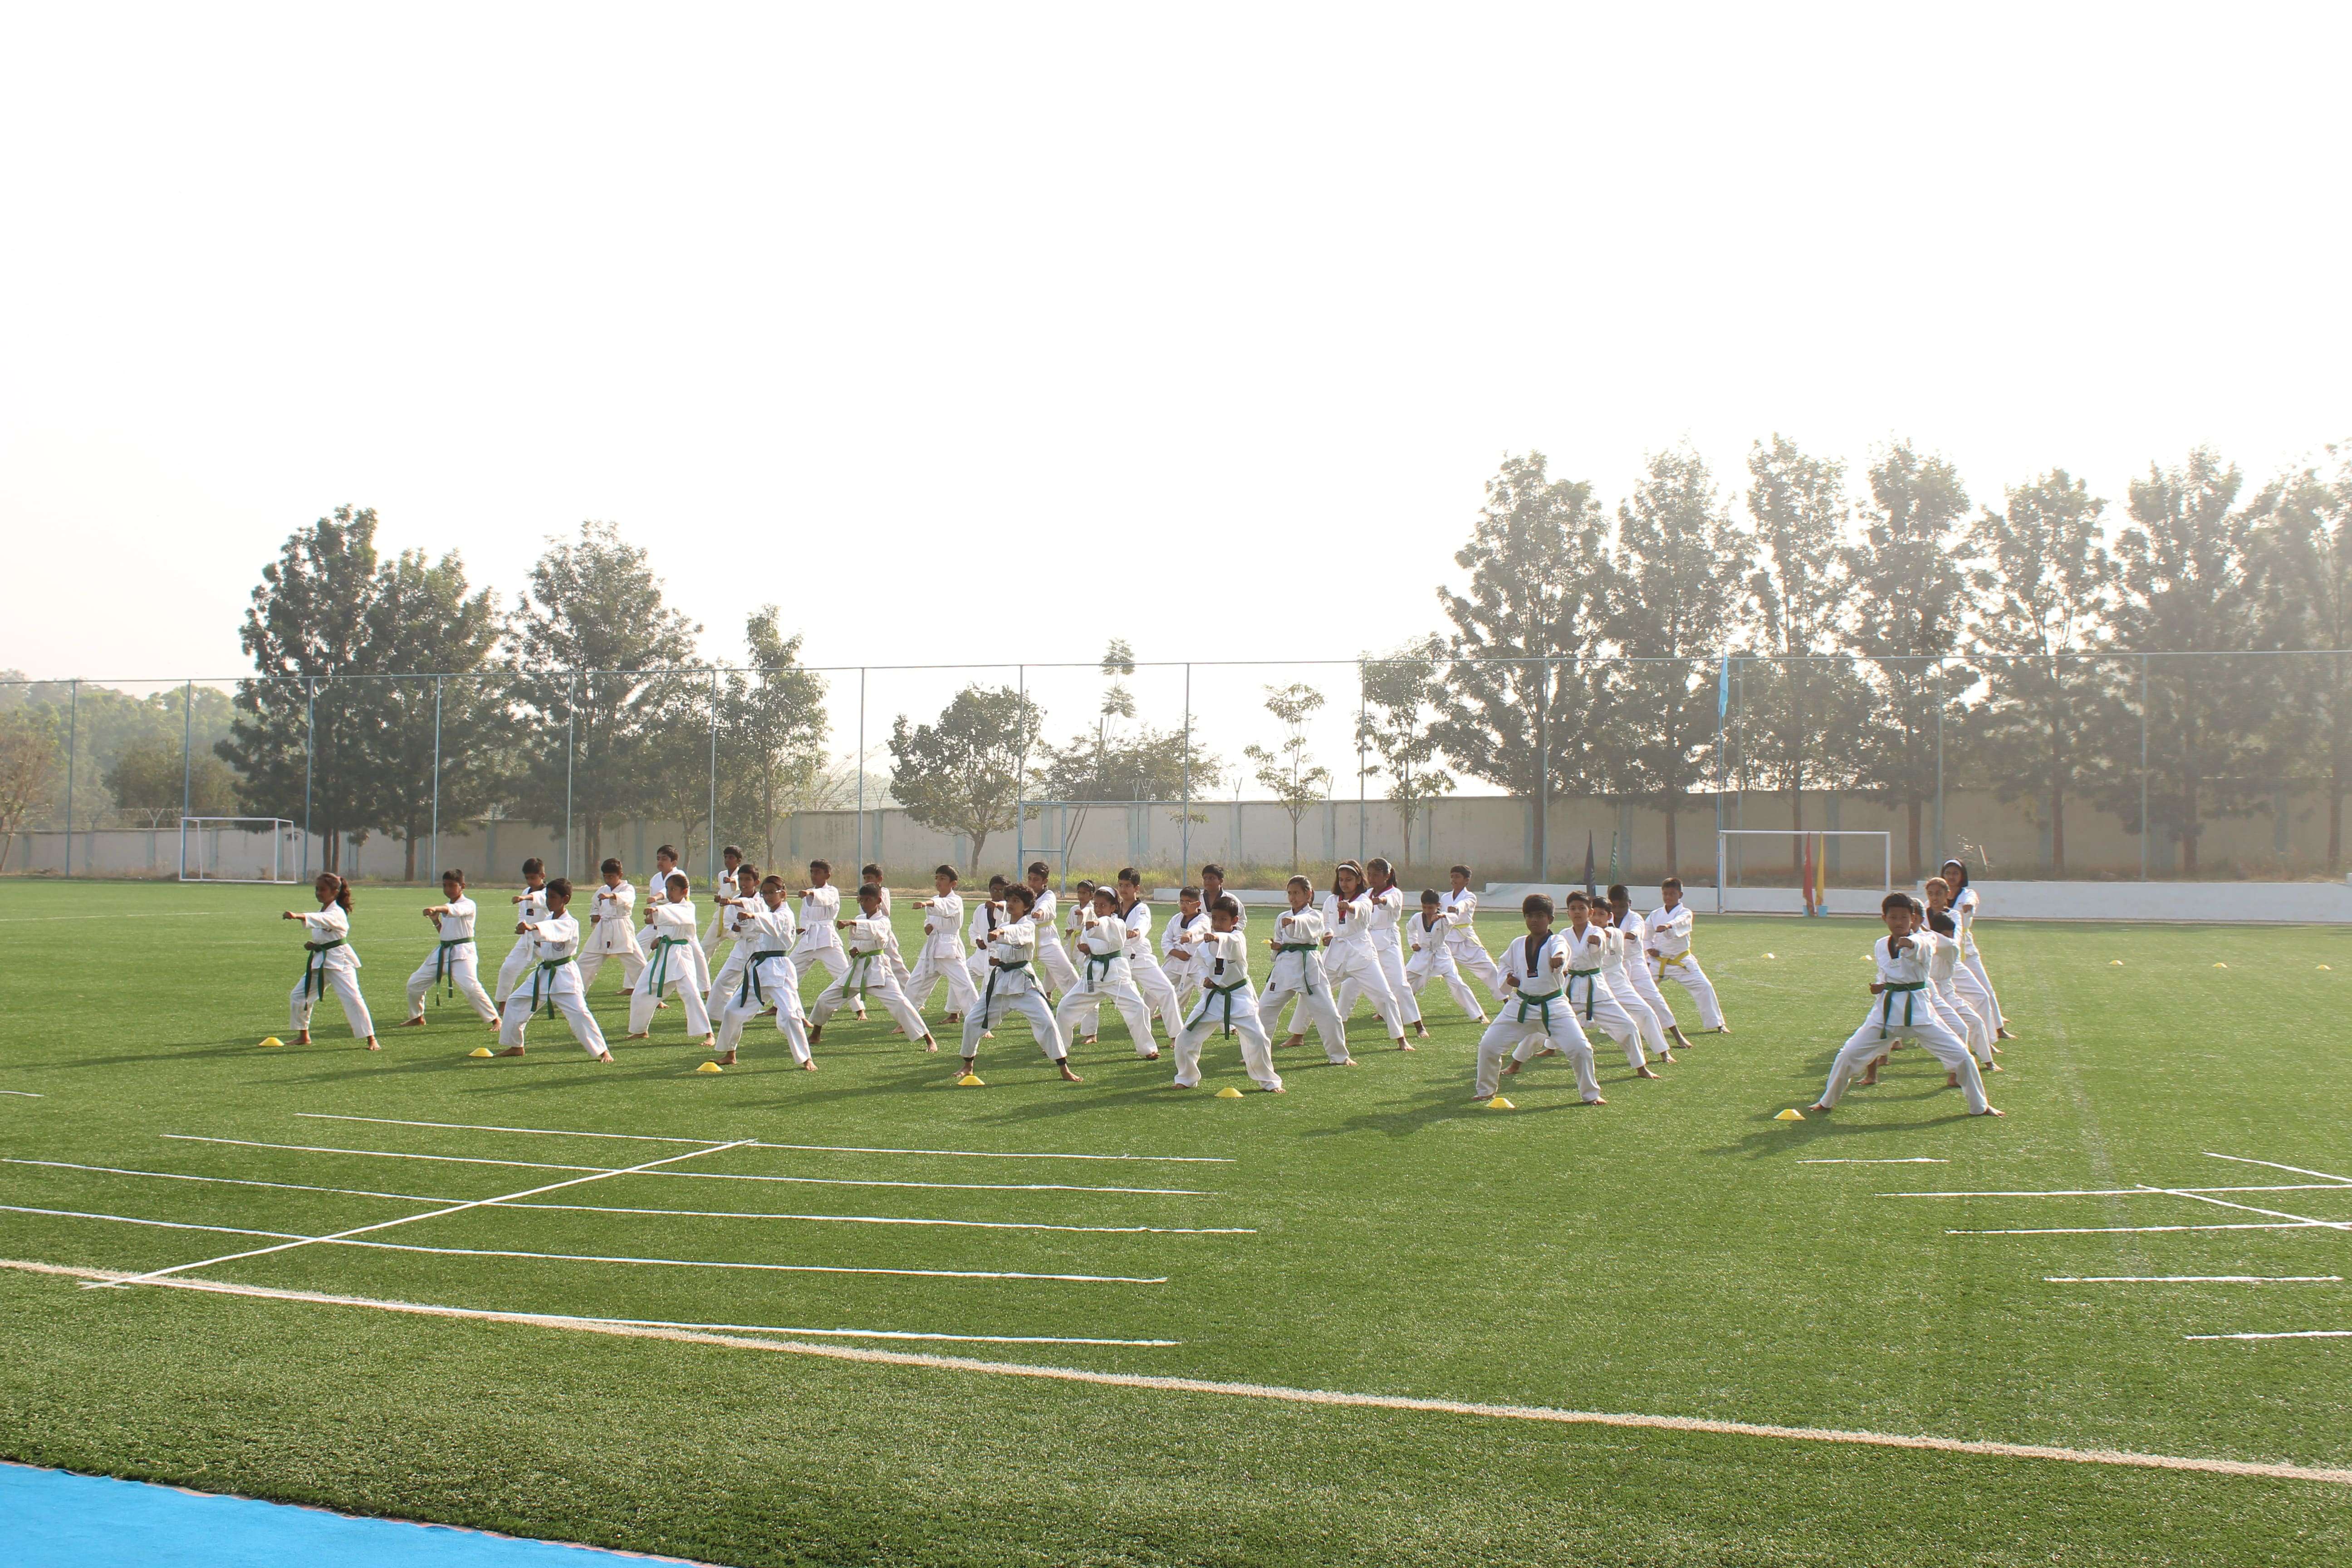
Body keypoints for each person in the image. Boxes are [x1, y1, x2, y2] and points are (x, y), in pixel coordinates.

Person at [1808, 894, 2000, 1117]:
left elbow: (1922, 946)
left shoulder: (1925, 940)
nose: (1899, 922)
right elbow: (1888, 971)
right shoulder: (1881, 944)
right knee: (1847, 1055)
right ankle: (1827, 1101)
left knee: (1963, 1057)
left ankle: (1980, 1106)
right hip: (1885, 1014)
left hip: (1920, 1013)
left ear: (1914, 919)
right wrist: (1880, 986)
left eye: (1904, 918)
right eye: (1893, 917)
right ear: (1884, 919)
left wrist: (1911, 942)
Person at [1475, 894, 1602, 1104]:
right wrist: (1509, 979)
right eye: (1530, 916)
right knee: (1489, 1045)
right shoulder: (1517, 944)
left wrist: (1559, 960)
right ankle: (1486, 1090)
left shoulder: (1557, 941)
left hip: (1554, 1005)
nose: (1535, 920)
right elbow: (1504, 965)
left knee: (1581, 1048)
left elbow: (1562, 951)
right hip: (1521, 1004)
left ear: (1551, 919)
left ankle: (1591, 1095)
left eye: (1540, 916)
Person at [959, 884, 1083, 1081]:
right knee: (972, 1020)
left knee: (1048, 1023)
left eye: (1016, 901)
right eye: (1009, 900)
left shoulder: (1028, 925)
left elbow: (1017, 934)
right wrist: (996, 958)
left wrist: (1000, 934)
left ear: (1026, 907)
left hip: (1024, 984)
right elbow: (997, 949)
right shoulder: (1004, 924)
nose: (1011, 904)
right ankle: (968, 1064)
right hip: (1000, 983)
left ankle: (1064, 1069)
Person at [1168, 894, 1284, 1092]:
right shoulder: (1205, 945)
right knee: (1185, 1038)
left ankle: (1269, 1082)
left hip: (1239, 996)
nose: (1218, 923)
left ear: (1235, 921)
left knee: (1258, 1038)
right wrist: (1207, 978)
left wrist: (1217, 937)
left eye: (1223, 919)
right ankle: (1186, 1078)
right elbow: (1200, 964)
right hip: (1213, 999)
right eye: (1214, 919)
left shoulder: (1238, 938)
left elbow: (1229, 942)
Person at [494, 877, 614, 1060]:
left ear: (565, 899)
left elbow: (554, 929)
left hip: (564, 975)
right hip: (544, 973)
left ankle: (602, 1051)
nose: (549, 901)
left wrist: (533, 927)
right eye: (548, 897)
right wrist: (528, 930)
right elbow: (543, 935)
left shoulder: (570, 923)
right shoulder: (549, 918)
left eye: (553, 897)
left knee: (580, 1013)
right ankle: (516, 1046)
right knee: (515, 1002)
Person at [809, 883, 939, 1049]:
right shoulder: (861, 918)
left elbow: (877, 931)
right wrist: (854, 951)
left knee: (900, 1003)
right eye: (861, 900)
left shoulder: (883, 921)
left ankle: (928, 1038)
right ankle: (816, 1034)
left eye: (868, 900)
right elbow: (855, 943)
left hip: (878, 969)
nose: (864, 903)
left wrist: (852, 923)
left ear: (878, 901)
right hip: (857, 969)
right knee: (825, 999)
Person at [712, 875, 814, 1069]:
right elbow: (752, 927)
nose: (767, 896)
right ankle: (730, 1053)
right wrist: (744, 922)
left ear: (783, 894)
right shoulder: (766, 912)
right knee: (732, 1011)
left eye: (771, 893)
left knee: (792, 1015)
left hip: (780, 970)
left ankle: (806, 1058)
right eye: (764, 893)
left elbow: (772, 924)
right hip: (759, 971)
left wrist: (753, 917)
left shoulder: (785, 914)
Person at [1307, 860, 1411, 1051]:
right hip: (1337, 953)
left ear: (1357, 881)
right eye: (1341, 880)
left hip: (1362, 954)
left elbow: (1363, 910)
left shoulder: (1364, 899)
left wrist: (1349, 908)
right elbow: (1327, 923)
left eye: (1349, 880)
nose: (1344, 883)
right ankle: (1298, 1034)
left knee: (1386, 994)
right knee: (1314, 989)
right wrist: (1328, 934)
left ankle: (1401, 1037)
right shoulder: (1332, 900)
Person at [1555, 891, 1660, 1077]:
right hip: (1571, 986)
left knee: (1628, 1026)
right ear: (1568, 913)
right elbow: (1560, 951)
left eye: (1582, 908)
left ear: (1590, 912)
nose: (1577, 912)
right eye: (1573, 909)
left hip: (1597, 989)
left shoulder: (1600, 931)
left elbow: (1604, 939)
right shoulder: (1564, 934)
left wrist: (1598, 941)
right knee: (1542, 1021)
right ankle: (1517, 1061)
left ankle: (1641, 1067)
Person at [1256, 875, 1355, 1067]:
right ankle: (1256, 1052)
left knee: (1329, 1013)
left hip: (1308, 967)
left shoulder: (1315, 915)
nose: (1293, 898)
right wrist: (1277, 946)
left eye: (1297, 893)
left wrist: (1293, 922)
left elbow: (1306, 925)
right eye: (1290, 894)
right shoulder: (1281, 917)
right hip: (1285, 967)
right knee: (1263, 1010)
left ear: (1308, 894)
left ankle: (1339, 1056)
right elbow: (1280, 941)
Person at [1056, 885, 1161, 1057]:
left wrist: (1098, 923)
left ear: (1114, 907)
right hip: (1093, 976)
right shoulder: (1088, 927)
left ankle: (1148, 1049)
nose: (1098, 909)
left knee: (1138, 1008)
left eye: (1103, 906)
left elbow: (1107, 926)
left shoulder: (1118, 923)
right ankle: (1060, 1048)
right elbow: (1087, 949)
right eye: (1096, 905)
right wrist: (1086, 951)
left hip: (1115, 975)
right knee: (1065, 1008)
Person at [284, 872, 379, 1049]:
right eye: (317, 889)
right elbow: (324, 932)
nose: (319, 893)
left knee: (353, 998)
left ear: (334, 892)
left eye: (323, 890)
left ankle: (371, 1039)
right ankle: (303, 1036)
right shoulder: (326, 910)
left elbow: (323, 921)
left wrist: (298, 916)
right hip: (321, 960)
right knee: (299, 995)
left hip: (340, 962)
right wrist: (314, 945)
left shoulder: (337, 912)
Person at [401, 868, 498, 1028]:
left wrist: (438, 909)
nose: (448, 890)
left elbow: (455, 911)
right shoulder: (446, 906)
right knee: (414, 984)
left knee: (471, 988)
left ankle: (495, 1019)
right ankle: (418, 1017)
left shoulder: (469, 904)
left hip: (463, 953)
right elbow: (445, 933)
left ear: (463, 886)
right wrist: (435, 920)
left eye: (452, 886)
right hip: (443, 952)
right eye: (445, 886)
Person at [627, 873, 714, 1042]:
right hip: (664, 954)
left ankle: (709, 1034)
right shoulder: (667, 907)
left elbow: (678, 915)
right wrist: (658, 940)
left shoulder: (688, 907)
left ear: (685, 891)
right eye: (667, 889)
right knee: (642, 990)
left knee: (691, 993)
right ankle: (640, 1030)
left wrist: (656, 910)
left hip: (681, 956)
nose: (669, 893)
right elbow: (665, 928)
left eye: (673, 889)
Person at [1349, 857, 1429, 1040]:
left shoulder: (1395, 893)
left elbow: (1390, 902)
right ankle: (1343, 1020)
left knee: (1399, 984)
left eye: (1376, 875)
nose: (1372, 878)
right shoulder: (1366, 894)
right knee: (1352, 983)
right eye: (1369, 874)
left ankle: (1418, 1025)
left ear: (1387, 875)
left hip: (1388, 941)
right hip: (1366, 942)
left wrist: (1380, 900)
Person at [1607, 884, 1691, 1053]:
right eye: (1614, 907)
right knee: (1590, 1000)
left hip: (1636, 965)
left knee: (1654, 999)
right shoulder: (1606, 918)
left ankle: (1676, 1035)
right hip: (1613, 967)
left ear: (1629, 903)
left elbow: (1635, 933)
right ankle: (1553, 1043)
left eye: (1622, 906)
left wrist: (1612, 934)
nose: (1618, 910)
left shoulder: (1636, 919)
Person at [1644, 877, 1728, 1034]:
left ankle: (1717, 1024)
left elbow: (1681, 922)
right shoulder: (1655, 915)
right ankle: (1636, 1023)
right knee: (1640, 988)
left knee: (1705, 987)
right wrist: (1650, 949)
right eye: (1665, 894)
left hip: (1681, 961)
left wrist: (1668, 926)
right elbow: (1646, 936)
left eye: (1672, 894)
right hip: (1658, 961)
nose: (1668, 897)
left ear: (1680, 895)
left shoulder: (1685, 913)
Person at [1116, 867, 1190, 1043]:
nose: (1123, 889)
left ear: (1137, 888)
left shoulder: (1142, 909)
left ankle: (1176, 1036)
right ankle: (1086, 1032)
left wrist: (1136, 932)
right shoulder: (1114, 908)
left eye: (1128, 885)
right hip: (1117, 960)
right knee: (1090, 992)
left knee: (1167, 991)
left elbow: (1143, 925)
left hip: (1140, 958)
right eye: (1120, 885)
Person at [1942, 858, 2013, 1039]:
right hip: (1945, 954)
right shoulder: (1937, 896)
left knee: (1986, 990)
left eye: (1955, 874)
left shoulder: (1967, 894)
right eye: (1948, 873)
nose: (1951, 877)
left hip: (1967, 951)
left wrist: (1969, 907)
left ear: (1962, 876)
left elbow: (1971, 901)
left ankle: (1998, 1029)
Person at [789, 860, 863, 1020]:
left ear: (827, 875)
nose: (813, 875)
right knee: (789, 970)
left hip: (827, 938)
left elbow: (826, 899)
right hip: (809, 938)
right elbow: (804, 916)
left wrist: (811, 894)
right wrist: (802, 928)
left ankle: (859, 1010)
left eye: (817, 872)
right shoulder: (808, 892)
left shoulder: (832, 891)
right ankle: (777, 1006)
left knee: (843, 973)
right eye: (812, 872)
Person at [907, 864, 980, 1023]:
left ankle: (978, 1023)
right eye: (937, 878)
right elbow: (930, 922)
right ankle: (907, 1022)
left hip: (950, 948)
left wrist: (926, 904)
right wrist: (928, 927)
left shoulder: (956, 901)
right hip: (932, 948)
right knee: (915, 984)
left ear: (953, 883)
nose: (938, 882)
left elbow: (945, 909)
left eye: (943, 878)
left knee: (964, 986)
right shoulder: (934, 900)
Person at [1405, 888, 1488, 1023]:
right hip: (1422, 954)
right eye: (1424, 907)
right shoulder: (1417, 917)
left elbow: (1455, 917)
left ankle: (1478, 1014)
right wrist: (1413, 943)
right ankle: (1384, 1011)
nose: (1427, 911)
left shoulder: (1445, 919)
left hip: (1441, 955)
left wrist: (1443, 916)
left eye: (1430, 907)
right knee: (1404, 981)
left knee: (1457, 983)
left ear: (1438, 906)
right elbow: (1410, 929)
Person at [574, 858, 646, 995]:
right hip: (603, 929)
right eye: (605, 877)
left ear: (621, 875)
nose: (608, 880)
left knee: (638, 965)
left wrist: (611, 896)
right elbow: (595, 907)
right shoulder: (602, 890)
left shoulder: (627, 888)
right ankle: (575, 995)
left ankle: (652, 998)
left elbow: (627, 898)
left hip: (622, 928)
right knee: (584, 962)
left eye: (611, 877)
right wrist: (595, 916)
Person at [1439, 865, 1509, 1002]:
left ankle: (1506, 999)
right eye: (1452, 877)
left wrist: (1456, 909)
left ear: (1467, 880)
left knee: (1489, 969)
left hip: (1466, 940)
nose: (1453, 880)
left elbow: (1464, 904)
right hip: (1445, 940)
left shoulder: (1470, 897)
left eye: (1457, 877)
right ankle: (1403, 1001)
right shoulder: (1445, 897)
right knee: (1421, 968)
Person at [491, 858, 550, 1008]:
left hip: (548, 941)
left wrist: (525, 897)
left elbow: (541, 899)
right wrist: (520, 926)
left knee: (560, 973)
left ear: (543, 876)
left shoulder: (549, 892)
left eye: (533, 878)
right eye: (527, 878)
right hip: (528, 940)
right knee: (508, 968)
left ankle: (571, 1002)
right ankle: (503, 1004)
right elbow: (522, 915)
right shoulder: (525, 891)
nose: (530, 881)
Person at [1025, 862, 1082, 997]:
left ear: (1045, 881)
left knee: (1067, 973)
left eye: (1036, 880)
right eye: (1029, 879)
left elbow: (1046, 905)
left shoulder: (1049, 895)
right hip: (1026, 940)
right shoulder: (1025, 895)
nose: (1032, 883)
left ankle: (1079, 1002)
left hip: (1048, 940)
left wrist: (1040, 912)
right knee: (1005, 971)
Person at [1161, 885, 1210, 1017]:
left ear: (1198, 904)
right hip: (1175, 961)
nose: (1184, 905)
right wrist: (1177, 954)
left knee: (1208, 990)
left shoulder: (1203, 919)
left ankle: (1227, 1024)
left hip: (1196, 963)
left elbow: (1199, 929)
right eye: (1181, 902)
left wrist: (1188, 934)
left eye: (1188, 902)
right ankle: (1146, 1014)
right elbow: (1166, 939)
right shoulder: (1176, 919)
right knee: (1157, 984)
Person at [700, 845, 745, 959]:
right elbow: (723, 893)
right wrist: (719, 898)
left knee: (748, 947)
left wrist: (731, 880)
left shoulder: (743, 874)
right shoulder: (722, 875)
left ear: (739, 860)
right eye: (726, 857)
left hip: (738, 917)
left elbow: (737, 883)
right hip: (721, 916)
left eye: (731, 858)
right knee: (705, 947)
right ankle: (701, 976)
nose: (727, 860)